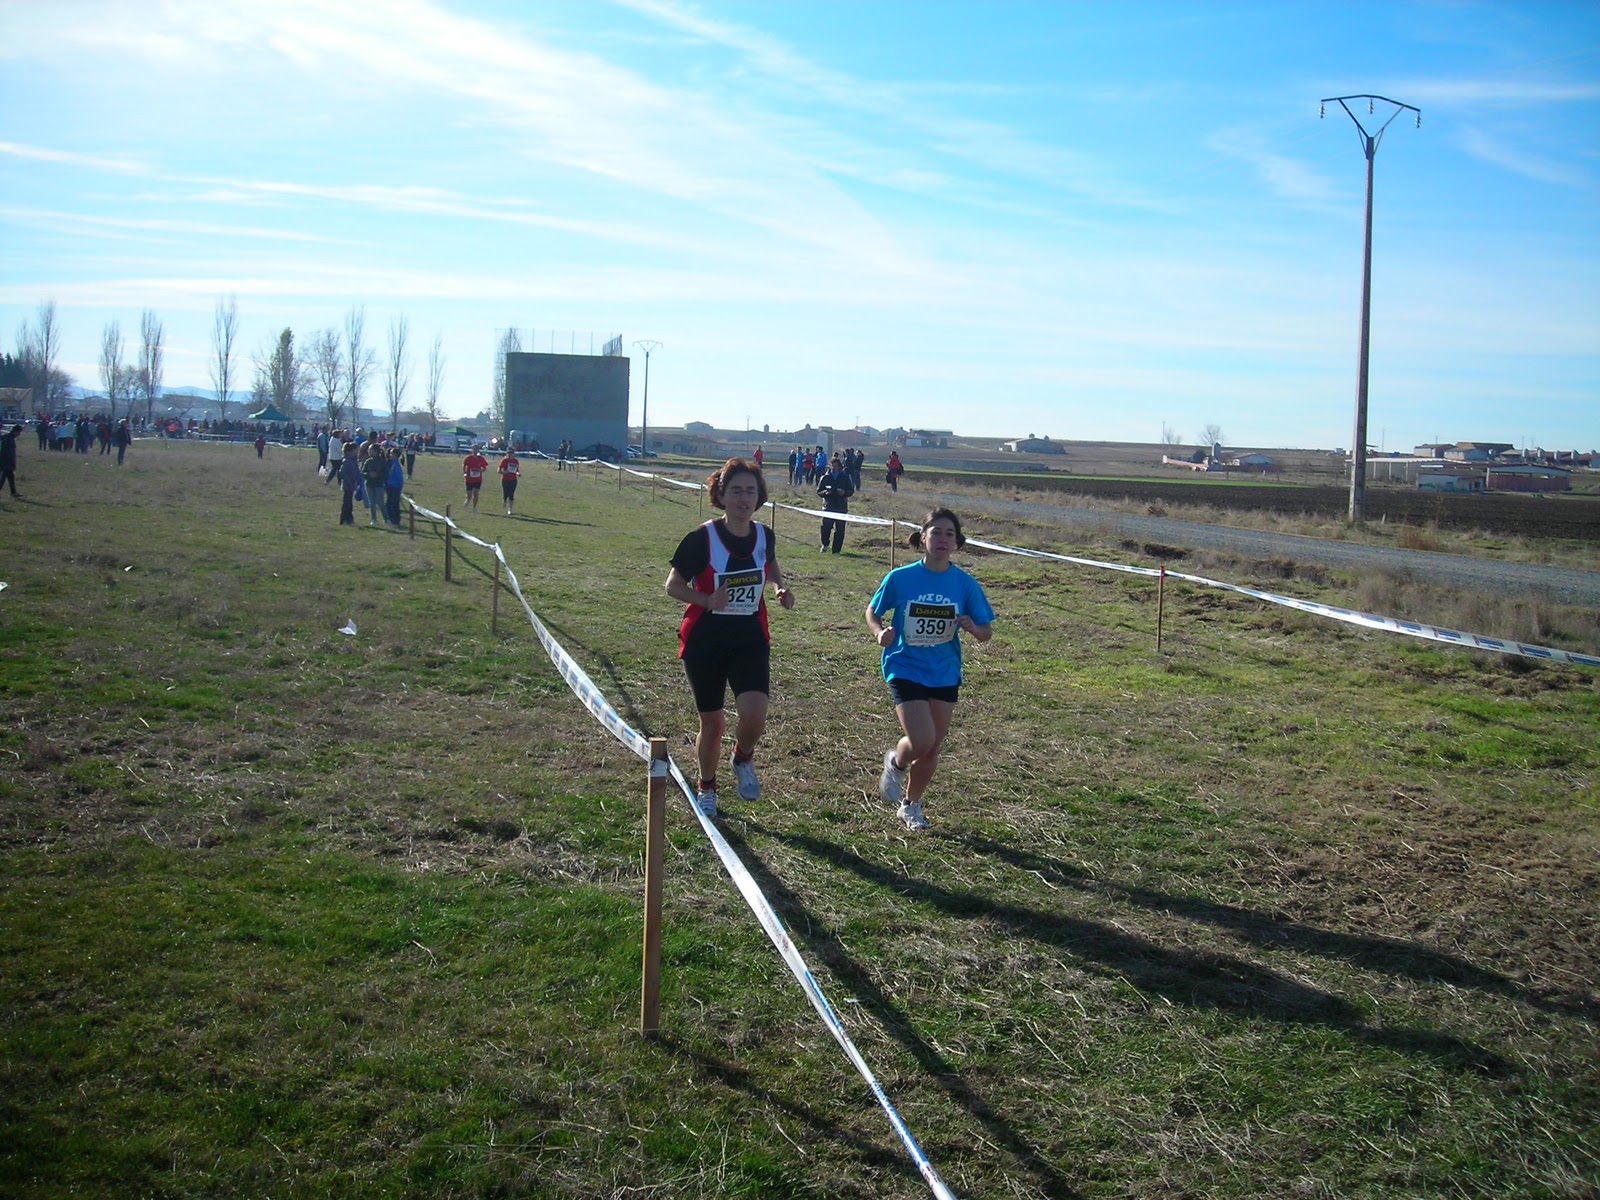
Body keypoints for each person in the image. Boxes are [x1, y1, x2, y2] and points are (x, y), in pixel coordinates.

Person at [664, 457, 795, 818]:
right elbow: (672, 586)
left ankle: (742, 757)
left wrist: (779, 587)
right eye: (735, 490)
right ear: (720, 495)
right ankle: (707, 787)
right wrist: (706, 600)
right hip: (704, 641)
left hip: (749, 638)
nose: (743, 498)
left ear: (759, 496)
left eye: (750, 491)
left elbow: (769, 563)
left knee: (754, 717)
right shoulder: (701, 539)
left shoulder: (765, 535)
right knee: (713, 724)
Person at [864, 509, 995, 830]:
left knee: (932, 746)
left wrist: (972, 627)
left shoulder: (964, 584)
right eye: (936, 532)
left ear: (957, 543)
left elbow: (986, 632)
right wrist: (879, 632)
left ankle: (910, 807)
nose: (942, 539)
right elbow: (873, 611)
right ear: (923, 537)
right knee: (922, 739)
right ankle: (897, 762)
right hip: (904, 665)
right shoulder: (900, 578)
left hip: (944, 671)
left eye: (950, 534)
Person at [816, 453, 855, 553]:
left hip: (841, 507)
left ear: (839, 467)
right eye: (832, 466)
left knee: (840, 530)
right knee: (825, 528)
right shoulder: (825, 477)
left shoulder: (844, 477)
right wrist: (825, 493)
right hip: (828, 507)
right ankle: (825, 544)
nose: (833, 468)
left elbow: (851, 490)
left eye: (835, 466)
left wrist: (844, 492)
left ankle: (836, 550)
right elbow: (819, 491)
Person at [360, 443, 387, 525]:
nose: (368, 451)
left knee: (380, 502)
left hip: (379, 484)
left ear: (375, 451)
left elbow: (385, 473)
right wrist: (368, 474)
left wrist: (377, 475)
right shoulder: (368, 461)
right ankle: (373, 519)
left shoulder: (382, 461)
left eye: (370, 449)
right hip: (369, 484)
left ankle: (386, 519)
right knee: (371, 503)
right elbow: (362, 472)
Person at [338, 441, 360, 525]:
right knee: (347, 503)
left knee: (349, 502)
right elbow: (342, 473)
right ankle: (345, 519)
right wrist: (350, 481)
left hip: (352, 484)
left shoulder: (353, 460)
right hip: (347, 484)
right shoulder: (347, 460)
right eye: (356, 449)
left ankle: (349, 518)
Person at [462, 444, 488, 512]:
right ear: (472, 450)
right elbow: (464, 466)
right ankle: (468, 499)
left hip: (477, 479)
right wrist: (464, 473)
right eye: (474, 449)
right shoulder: (468, 458)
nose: (475, 451)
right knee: (469, 494)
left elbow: (484, 468)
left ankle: (474, 507)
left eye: (477, 449)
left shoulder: (481, 459)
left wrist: (480, 470)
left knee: (476, 493)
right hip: (469, 479)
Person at [385, 445, 406, 526]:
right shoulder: (391, 463)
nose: (390, 455)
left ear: (396, 455)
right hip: (390, 486)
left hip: (394, 487)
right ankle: (390, 519)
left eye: (392, 454)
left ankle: (395, 520)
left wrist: (400, 486)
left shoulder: (396, 465)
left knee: (393, 504)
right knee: (389, 503)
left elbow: (399, 477)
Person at [497, 448, 521, 515]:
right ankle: (504, 500)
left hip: (513, 480)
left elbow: (517, 470)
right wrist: (504, 472)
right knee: (505, 493)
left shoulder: (515, 461)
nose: (510, 454)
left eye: (511, 453)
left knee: (511, 494)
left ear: (513, 453)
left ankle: (510, 509)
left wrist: (518, 473)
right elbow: (498, 470)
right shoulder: (504, 460)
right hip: (505, 479)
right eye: (508, 453)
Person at [1, 423, 21, 497]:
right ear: (15, 431)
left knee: (11, 478)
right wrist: (11, 463)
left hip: (7, 463)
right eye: (19, 433)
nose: (19, 435)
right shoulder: (9, 439)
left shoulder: (7, 438)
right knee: (2, 479)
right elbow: (9, 453)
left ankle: (13, 492)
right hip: (5, 463)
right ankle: (13, 492)